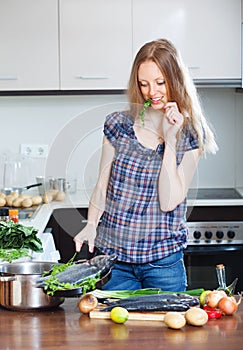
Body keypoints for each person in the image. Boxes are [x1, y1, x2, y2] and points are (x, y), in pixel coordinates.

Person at [74, 38, 218, 291]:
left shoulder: (191, 134)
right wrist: (91, 224)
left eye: (160, 82)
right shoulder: (118, 124)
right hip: (115, 262)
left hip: (164, 264)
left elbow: (169, 200)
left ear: (175, 80)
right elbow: (102, 184)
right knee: (109, 329)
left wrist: (170, 138)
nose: (152, 92)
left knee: (166, 330)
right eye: (144, 84)